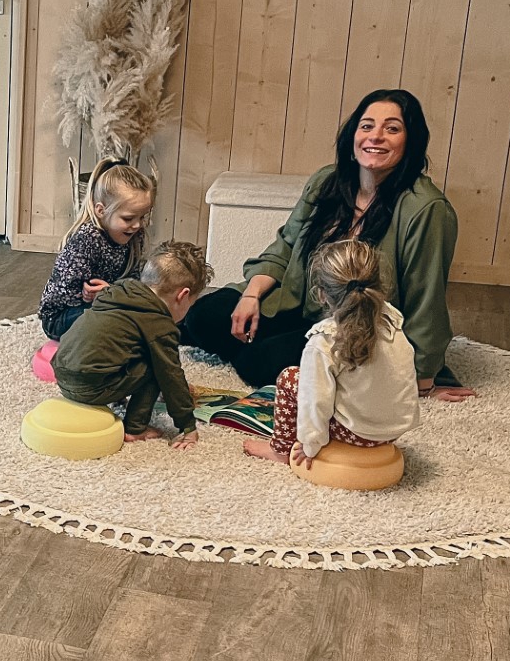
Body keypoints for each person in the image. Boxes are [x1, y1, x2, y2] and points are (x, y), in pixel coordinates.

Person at [180, 88, 476, 401]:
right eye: (367, 126)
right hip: (300, 303)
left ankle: (296, 356)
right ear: (353, 135)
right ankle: (281, 347)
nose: (376, 136)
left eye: (392, 129)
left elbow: (426, 300)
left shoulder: (426, 209)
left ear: (411, 141)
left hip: (356, 325)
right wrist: (251, 296)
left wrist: (422, 381)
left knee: (256, 364)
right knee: (203, 317)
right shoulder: (326, 181)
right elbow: (285, 245)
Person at [244, 239, 422, 467]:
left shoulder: (324, 340)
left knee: (290, 378)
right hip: (396, 429)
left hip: (358, 432)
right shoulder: (392, 320)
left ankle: (279, 449)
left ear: (321, 294)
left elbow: (315, 402)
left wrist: (310, 445)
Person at [50, 240, 211, 446]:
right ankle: (135, 428)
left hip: (62, 375)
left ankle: (117, 396)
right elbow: (171, 375)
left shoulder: (116, 293)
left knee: (123, 346)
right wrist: (187, 425)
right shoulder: (159, 323)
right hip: (89, 388)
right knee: (158, 366)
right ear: (183, 295)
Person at [37, 158, 156, 340]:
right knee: (119, 317)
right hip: (62, 316)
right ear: (101, 210)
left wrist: (114, 293)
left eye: (142, 217)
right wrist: (101, 295)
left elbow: (133, 279)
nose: (137, 225)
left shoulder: (134, 235)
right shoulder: (86, 238)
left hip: (109, 301)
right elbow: (66, 291)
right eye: (128, 218)